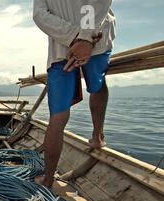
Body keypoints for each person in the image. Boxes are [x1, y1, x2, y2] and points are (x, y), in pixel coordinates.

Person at [32, 0, 116, 188]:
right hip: (97, 40)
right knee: (98, 85)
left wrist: (75, 37)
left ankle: (48, 180)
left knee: (58, 115)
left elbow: (40, 14)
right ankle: (97, 137)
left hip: (62, 48)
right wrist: (84, 37)